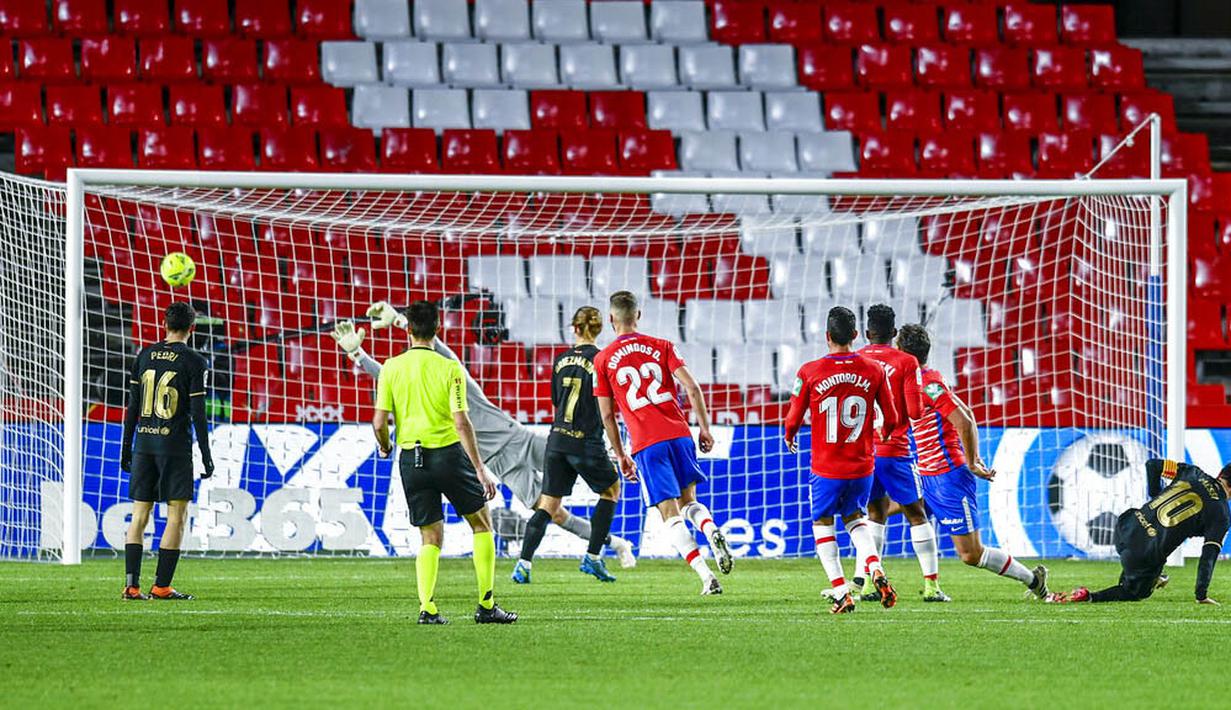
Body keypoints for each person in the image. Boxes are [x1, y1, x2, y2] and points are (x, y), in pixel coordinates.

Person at [333, 301, 636, 570]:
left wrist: (401, 321)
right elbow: (391, 375)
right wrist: (357, 355)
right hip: (503, 467)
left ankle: (619, 456)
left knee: (586, 461)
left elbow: (434, 347)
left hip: (519, 441)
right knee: (554, 514)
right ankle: (617, 544)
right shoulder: (434, 394)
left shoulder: (454, 375)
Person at [372, 300, 516, 625]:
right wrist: (480, 468)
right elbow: (462, 421)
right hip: (448, 455)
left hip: (412, 459)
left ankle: (428, 608)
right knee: (482, 524)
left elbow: (379, 422)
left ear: (407, 329)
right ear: (437, 329)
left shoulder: (390, 368)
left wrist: (385, 447)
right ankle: (486, 605)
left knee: (429, 537)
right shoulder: (449, 368)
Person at [895, 324, 1050, 600]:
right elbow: (968, 413)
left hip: (947, 476)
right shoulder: (920, 380)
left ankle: (1033, 580)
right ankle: (905, 582)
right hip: (926, 473)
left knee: (970, 554)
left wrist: (972, 462)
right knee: (888, 509)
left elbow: (964, 421)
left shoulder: (929, 385)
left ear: (904, 355)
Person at [594, 291, 732, 595]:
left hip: (647, 443)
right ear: (638, 316)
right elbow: (693, 388)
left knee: (669, 513)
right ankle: (710, 529)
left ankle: (707, 577)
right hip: (680, 434)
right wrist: (705, 430)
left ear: (611, 319)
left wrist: (620, 455)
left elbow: (606, 414)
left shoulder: (603, 359)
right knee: (690, 503)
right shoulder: (663, 346)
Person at [784, 306, 901, 614]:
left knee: (823, 523)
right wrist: (885, 433)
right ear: (855, 335)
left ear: (826, 337)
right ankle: (874, 567)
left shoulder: (809, 371)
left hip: (827, 467)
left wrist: (789, 434)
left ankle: (841, 591)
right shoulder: (874, 369)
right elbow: (892, 417)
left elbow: (793, 418)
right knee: (855, 519)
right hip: (862, 466)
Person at [512, 306, 622, 584]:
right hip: (585, 441)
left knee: (548, 504)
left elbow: (555, 400)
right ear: (599, 330)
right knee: (611, 490)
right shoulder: (603, 361)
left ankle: (523, 564)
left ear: (573, 328)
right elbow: (606, 406)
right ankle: (593, 557)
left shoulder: (560, 360)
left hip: (557, 440)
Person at [119, 302, 213, 601]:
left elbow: (132, 408)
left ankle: (131, 586)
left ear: (164, 323)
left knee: (139, 514)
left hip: (144, 445)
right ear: (192, 328)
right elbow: (198, 413)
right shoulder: (195, 361)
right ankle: (161, 586)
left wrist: (126, 448)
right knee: (176, 515)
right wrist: (206, 454)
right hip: (174, 446)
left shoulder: (144, 355)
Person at [855, 304, 946, 603]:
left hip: (863, 453)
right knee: (917, 514)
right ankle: (932, 587)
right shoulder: (907, 362)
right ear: (893, 333)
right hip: (895, 450)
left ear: (867, 333)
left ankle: (869, 584)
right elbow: (916, 411)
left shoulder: (854, 360)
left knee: (873, 514)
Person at [1055, 459, 1230, 605]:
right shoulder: (1222, 515)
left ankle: (1154, 575)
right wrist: (1201, 594)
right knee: (1135, 592)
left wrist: (1155, 494)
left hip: (1125, 526)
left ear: (1220, 474)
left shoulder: (1191, 471)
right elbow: (1209, 555)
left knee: (1144, 562)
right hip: (1141, 555)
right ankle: (1088, 596)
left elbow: (1152, 465)